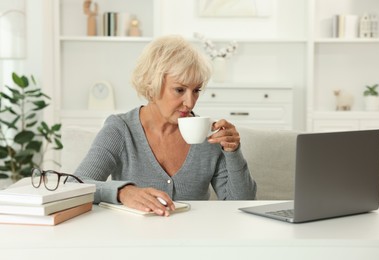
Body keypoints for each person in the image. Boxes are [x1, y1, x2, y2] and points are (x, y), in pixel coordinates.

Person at [74, 35, 257, 216]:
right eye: (179, 90)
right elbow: (77, 185)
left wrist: (233, 152)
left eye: (196, 91)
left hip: (197, 240)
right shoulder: (121, 130)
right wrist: (123, 192)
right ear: (152, 84)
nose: (190, 102)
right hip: (136, 241)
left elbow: (241, 203)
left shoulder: (208, 135)